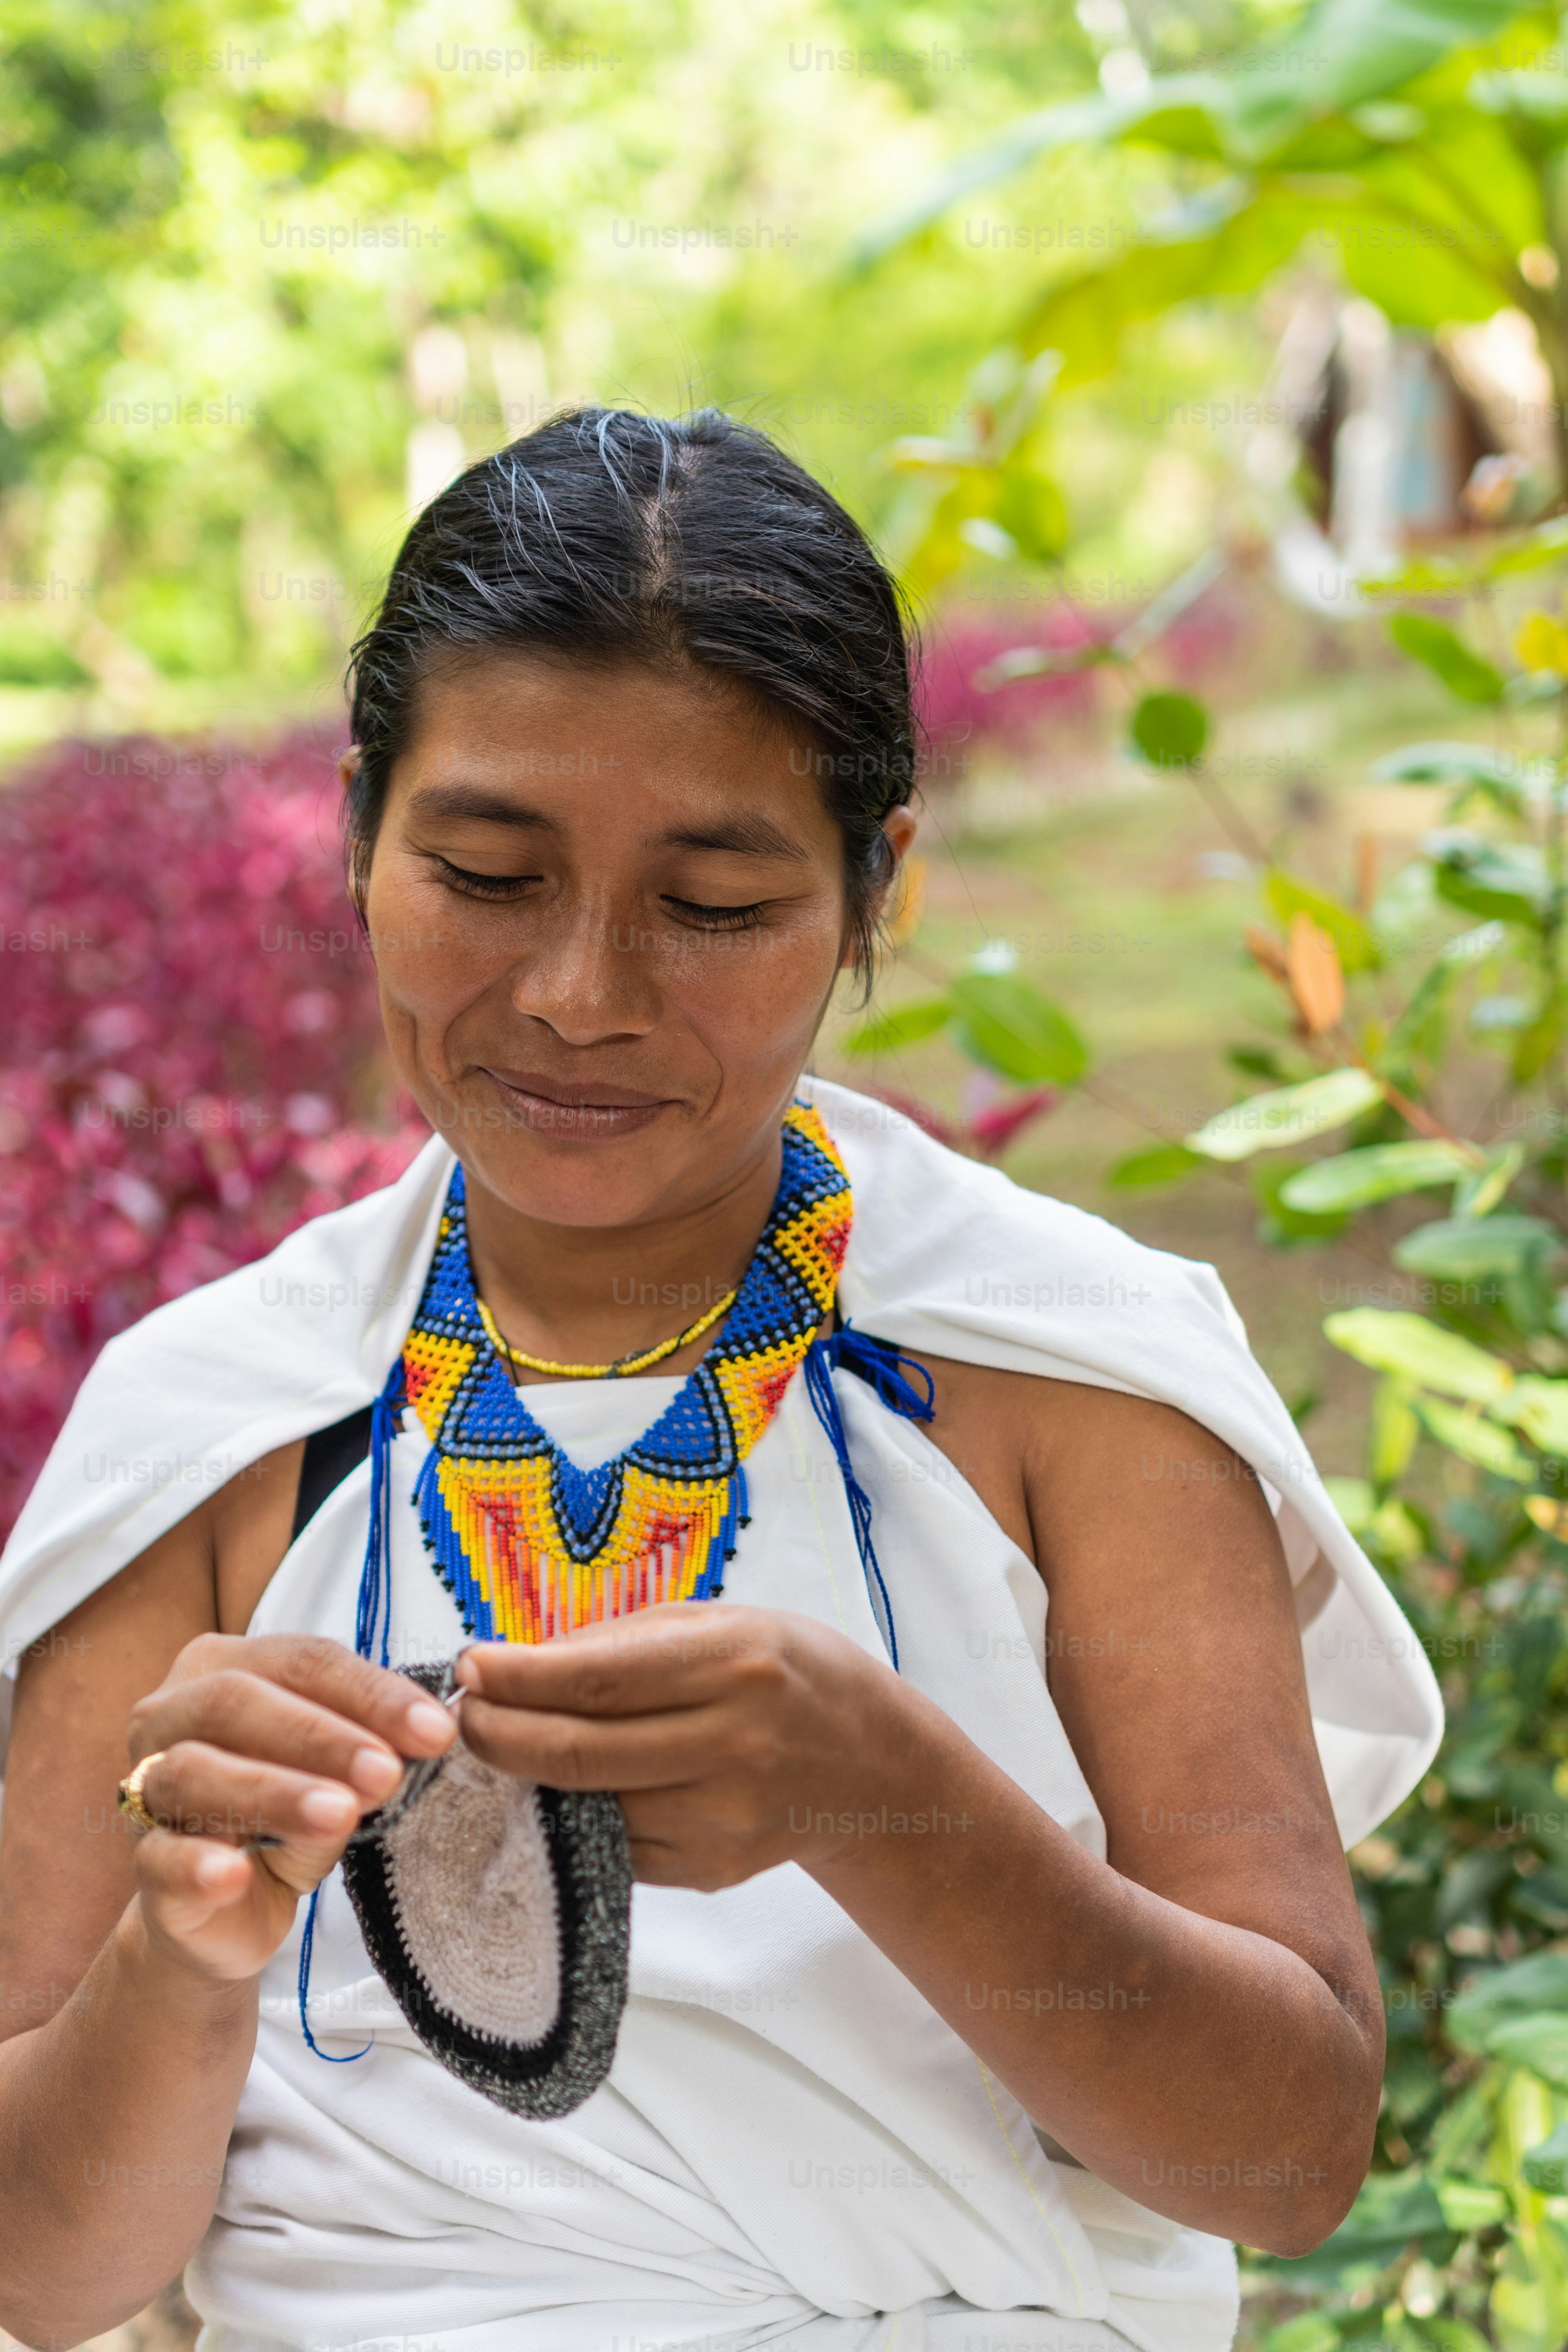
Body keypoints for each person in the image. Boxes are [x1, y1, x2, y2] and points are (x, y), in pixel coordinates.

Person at [0, 409, 1440, 2352]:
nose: (583, 990)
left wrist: (892, 1801)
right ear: (359, 832)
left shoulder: (1064, 1380)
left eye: (717, 904)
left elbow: (1283, 2158)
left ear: (879, 890)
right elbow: (39, 2263)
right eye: (485, 870)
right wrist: (175, 1954)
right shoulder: (223, 1419)